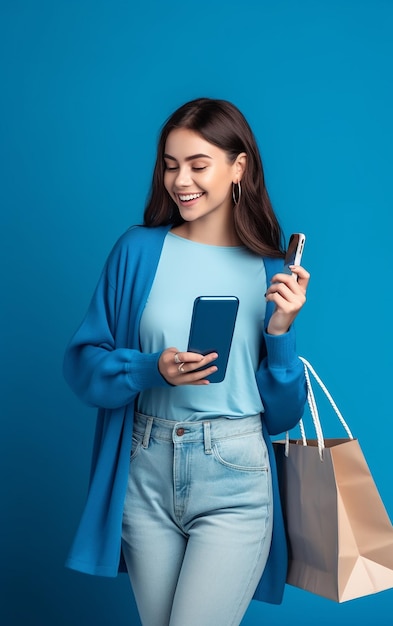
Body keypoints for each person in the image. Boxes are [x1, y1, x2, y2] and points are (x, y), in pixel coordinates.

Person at [63, 97, 310, 626]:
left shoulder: (270, 269)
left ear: (238, 167)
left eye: (198, 165)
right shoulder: (136, 251)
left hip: (235, 472)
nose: (181, 181)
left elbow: (283, 416)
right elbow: (84, 365)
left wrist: (282, 334)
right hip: (145, 469)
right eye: (171, 165)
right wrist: (153, 369)